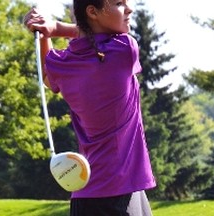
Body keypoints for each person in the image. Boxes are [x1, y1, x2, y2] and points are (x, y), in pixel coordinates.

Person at [23, 0, 156, 215]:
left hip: (87, 194)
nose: (129, 9)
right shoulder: (123, 50)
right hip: (119, 192)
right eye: (119, 3)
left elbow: (48, 75)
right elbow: (85, 37)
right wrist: (56, 28)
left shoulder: (64, 64)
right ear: (92, 12)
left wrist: (47, 33)